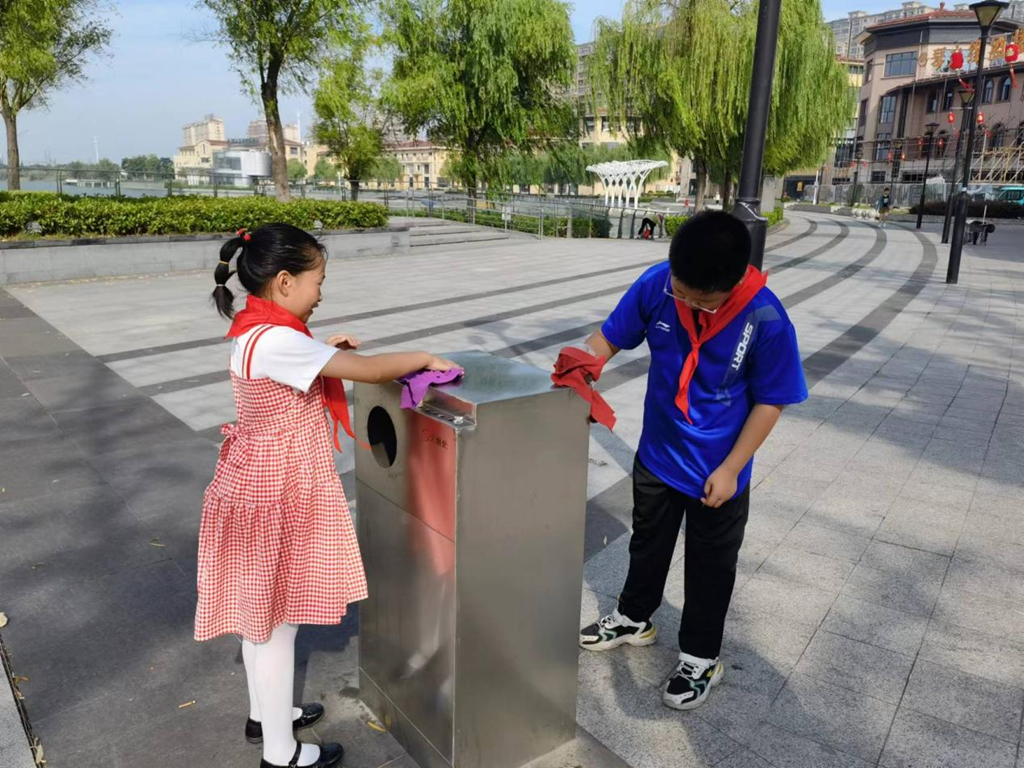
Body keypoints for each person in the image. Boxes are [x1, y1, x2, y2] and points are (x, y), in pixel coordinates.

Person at [195, 223, 454, 768]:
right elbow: (371, 370)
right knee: (275, 626)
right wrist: (422, 356)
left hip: (252, 483)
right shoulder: (280, 340)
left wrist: (321, 350)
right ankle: (280, 754)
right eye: (318, 282)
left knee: (259, 619)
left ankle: (264, 716)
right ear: (285, 282)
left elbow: (290, 364)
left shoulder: (253, 329)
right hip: (279, 494)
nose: (320, 294)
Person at [577, 211, 807, 711]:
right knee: (647, 542)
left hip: (716, 471)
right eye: (681, 292)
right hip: (658, 454)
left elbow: (772, 401)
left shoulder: (766, 319)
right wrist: (581, 367)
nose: (685, 302)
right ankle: (634, 617)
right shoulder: (659, 284)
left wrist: (731, 468)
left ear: (734, 282)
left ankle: (701, 658)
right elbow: (609, 337)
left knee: (711, 566)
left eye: (700, 300)